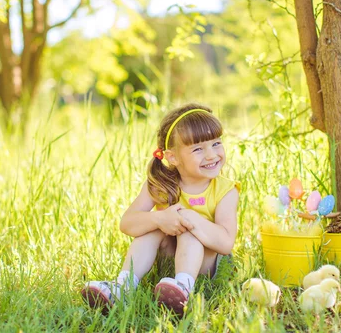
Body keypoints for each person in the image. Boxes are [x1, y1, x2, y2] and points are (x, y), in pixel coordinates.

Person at [81, 103, 240, 315]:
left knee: (190, 232)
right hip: (170, 258)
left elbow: (226, 243)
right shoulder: (161, 184)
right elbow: (127, 223)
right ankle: (123, 286)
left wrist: (188, 218)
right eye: (198, 149)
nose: (211, 155)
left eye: (216, 143)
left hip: (209, 266)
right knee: (152, 227)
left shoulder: (226, 191)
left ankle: (183, 288)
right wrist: (159, 219)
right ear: (173, 157)